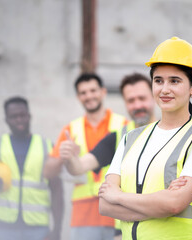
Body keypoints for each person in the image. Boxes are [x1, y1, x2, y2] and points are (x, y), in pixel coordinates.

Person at [98, 36, 192, 240]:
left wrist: (119, 196)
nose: (165, 89)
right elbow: (105, 205)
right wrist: (160, 203)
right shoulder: (131, 138)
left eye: (174, 81)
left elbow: (174, 204)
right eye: (158, 81)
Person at [56, 72, 157, 239]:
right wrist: (70, 158)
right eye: (131, 101)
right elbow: (80, 167)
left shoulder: (172, 132)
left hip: (163, 226)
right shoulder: (119, 137)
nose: (137, 105)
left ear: (154, 96)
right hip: (125, 230)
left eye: (142, 98)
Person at [0, 96, 63, 240]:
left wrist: (57, 230)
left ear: (29, 116)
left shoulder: (46, 147)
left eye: (22, 115)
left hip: (38, 229)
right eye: (13, 116)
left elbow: (57, 191)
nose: (19, 120)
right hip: (4, 228)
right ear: (6, 120)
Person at [44, 73, 128, 240]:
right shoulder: (71, 129)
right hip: (83, 218)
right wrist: (65, 156)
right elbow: (48, 172)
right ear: (78, 97)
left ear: (103, 92)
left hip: (118, 215)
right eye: (83, 93)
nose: (88, 96)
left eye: (92, 90)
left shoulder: (124, 125)